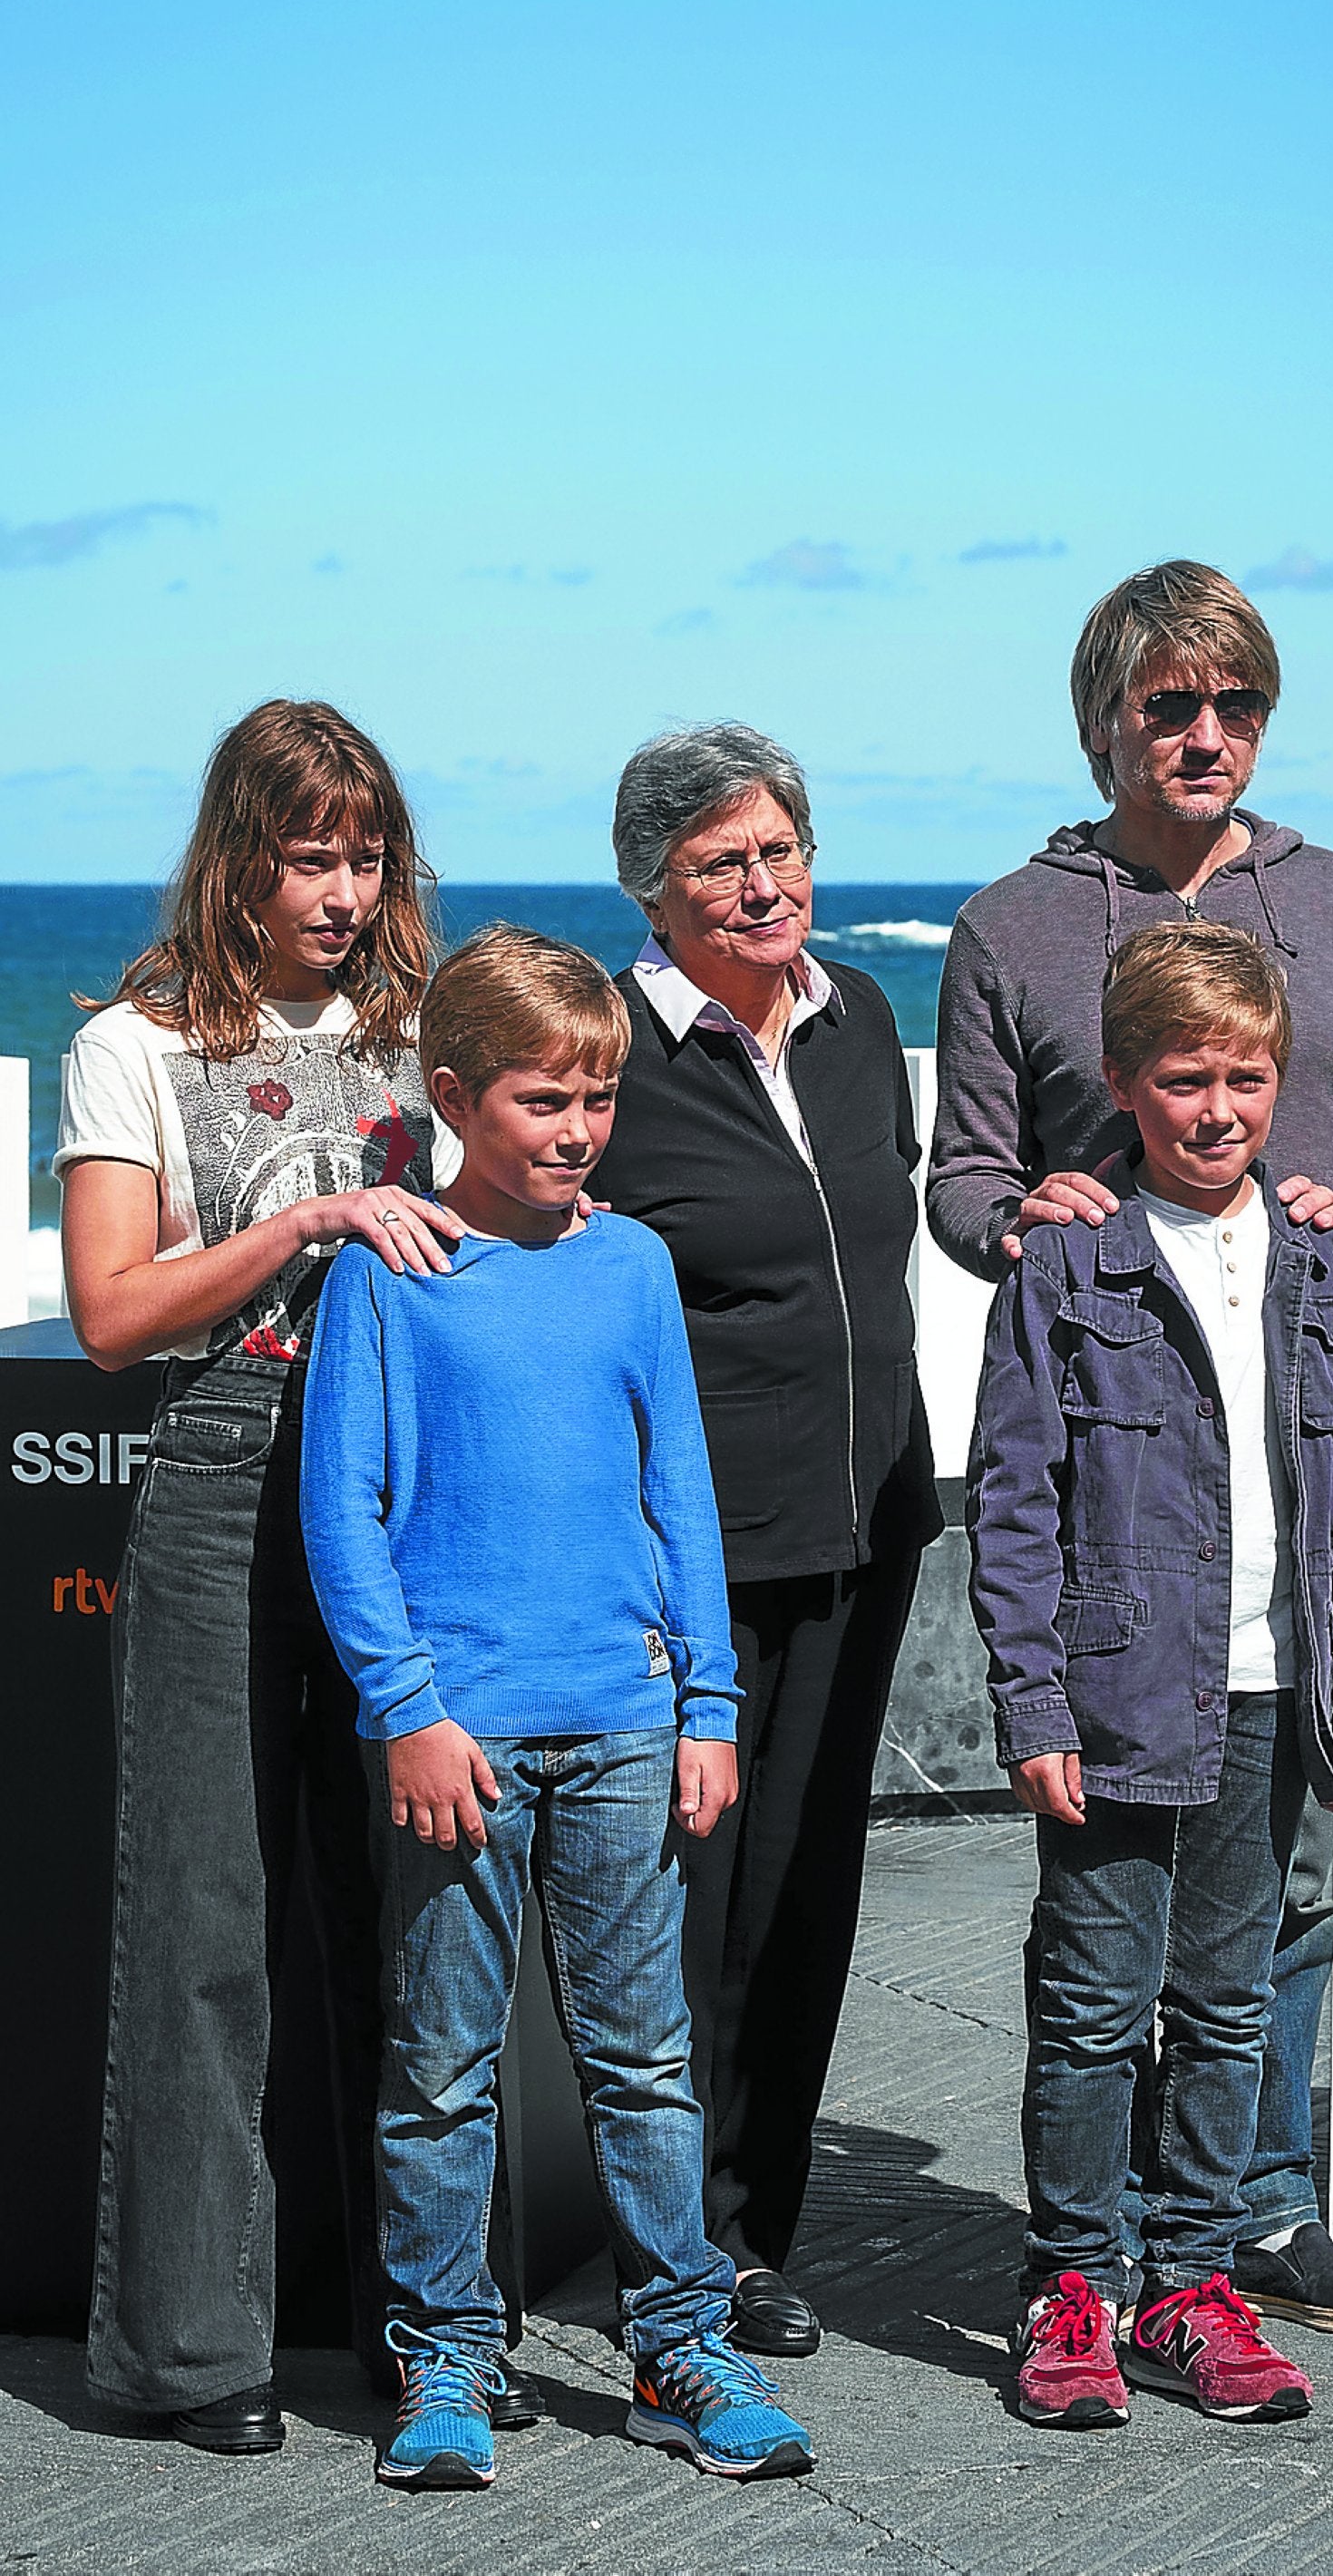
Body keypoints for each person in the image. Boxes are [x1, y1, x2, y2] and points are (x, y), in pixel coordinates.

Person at [931, 561, 1333, 2335]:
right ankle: (1114, 2257)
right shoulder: (1011, 924)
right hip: (1128, 1450)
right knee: (1110, 1951)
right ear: (1107, 720)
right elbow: (962, 1179)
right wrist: (1029, 1213)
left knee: (1284, 1899)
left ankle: (1256, 2219)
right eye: (1172, 705)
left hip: (1302, 1403)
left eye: (1234, 704)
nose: (1207, 734)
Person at [299, 924, 813, 2490]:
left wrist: (709, 1705)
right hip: (457, 1738)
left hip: (626, 1724)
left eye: (597, 1095)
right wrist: (407, 1709)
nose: (579, 1128)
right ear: (456, 1096)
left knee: (647, 2053)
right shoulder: (388, 1276)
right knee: (442, 2062)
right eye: (543, 1098)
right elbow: (345, 1509)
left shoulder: (633, 1264)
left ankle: (679, 2341)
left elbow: (681, 1493)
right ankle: (444, 2353)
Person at [58, 699, 497, 2454]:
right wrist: (302, 1222)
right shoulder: (135, 1045)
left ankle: (429, 2330)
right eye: (306, 851)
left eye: (364, 849)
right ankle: (190, 2351)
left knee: (420, 1918)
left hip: (408, 1491)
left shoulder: (426, 1030)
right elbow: (109, 1316)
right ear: (236, 853)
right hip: (227, 1481)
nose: (340, 884)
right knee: (205, 1929)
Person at [971, 922, 1333, 2428]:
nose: (1217, 1108)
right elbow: (1016, 1498)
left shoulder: (1323, 1263)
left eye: (1245, 1077)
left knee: (1231, 2001)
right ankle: (1072, 2282)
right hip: (1111, 1698)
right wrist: (1030, 1701)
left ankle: (1190, 2278)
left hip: (1271, 1694)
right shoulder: (1067, 1262)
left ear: (1280, 1081)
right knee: (1094, 2000)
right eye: (1182, 1079)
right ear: (1120, 1083)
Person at [593, 725, 941, 2359]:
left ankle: (751, 2235)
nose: (763, 882)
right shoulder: (613, 1049)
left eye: (782, 847)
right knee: (689, 1905)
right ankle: (673, 2237)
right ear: (654, 891)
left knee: (809, 1898)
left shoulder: (863, 1015)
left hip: (870, 1527)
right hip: (695, 1554)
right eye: (722, 861)